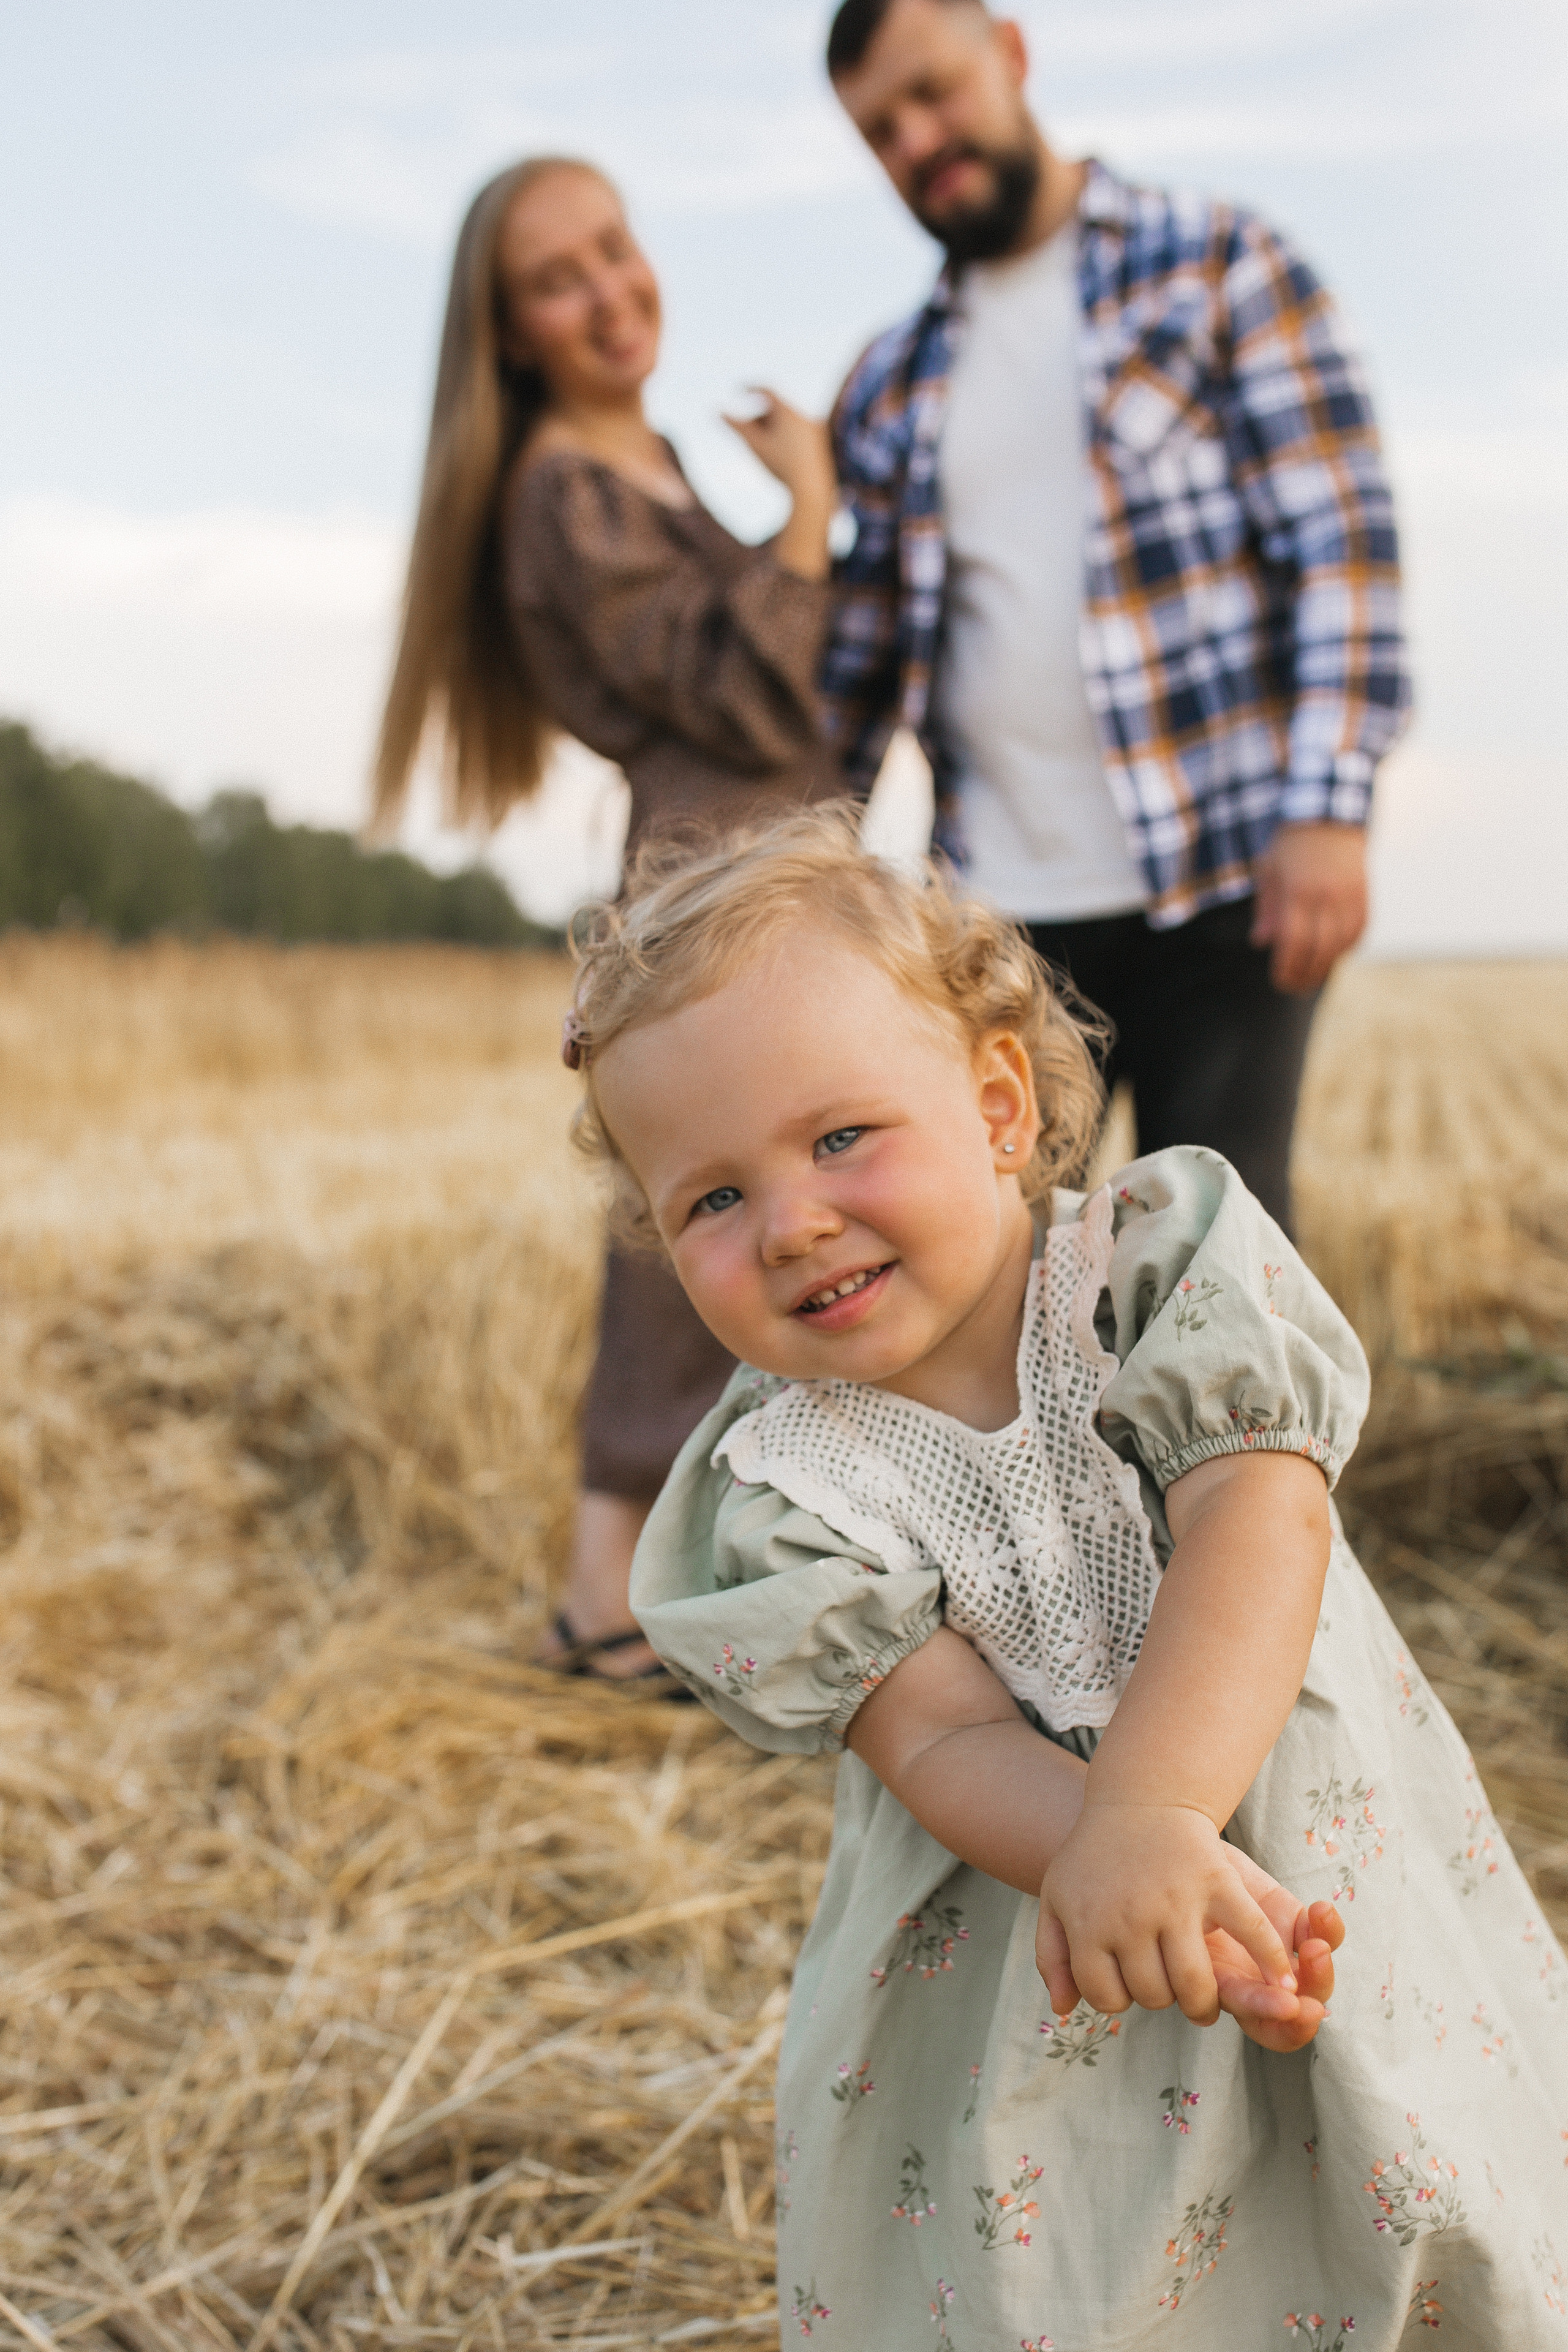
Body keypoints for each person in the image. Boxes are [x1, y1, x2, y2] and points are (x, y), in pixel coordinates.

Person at [566, 807, 1566, 2346]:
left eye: (840, 1138)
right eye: (711, 1199)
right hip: (1032, 1946)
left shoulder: (1151, 1268)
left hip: (1301, 1872)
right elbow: (944, 1738)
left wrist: (1161, 1816)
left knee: (1400, 2172)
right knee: (1073, 2265)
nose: (792, 1223)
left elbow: (1258, 1518)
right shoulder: (779, 1490)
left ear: (992, 1104)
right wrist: (1114, 1856)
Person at [820, 0, 1412, 1233]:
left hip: (1224, 880)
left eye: (934, 93)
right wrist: (795, 884)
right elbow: (854, 676)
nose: (918, 139)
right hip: (1000, 926)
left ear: (1012, 56)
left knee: (1221, 1271)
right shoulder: (889, 380)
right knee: (1012, 1278)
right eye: (880, 130)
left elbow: (1339, 544)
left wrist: (1326, 807)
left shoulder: (1217, 265)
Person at [372, 156, 844, 1679]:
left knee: (753, 1205)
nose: (609, 291)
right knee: (686, 1225)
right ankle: (598, 1594)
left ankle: (710, 1573)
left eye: (615, 250)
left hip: (757, 874)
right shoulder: (560, 493)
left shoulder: (636, 462)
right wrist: (813, 509)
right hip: (704, 882)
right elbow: (736, 681)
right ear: (507, 332)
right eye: (558, 279)